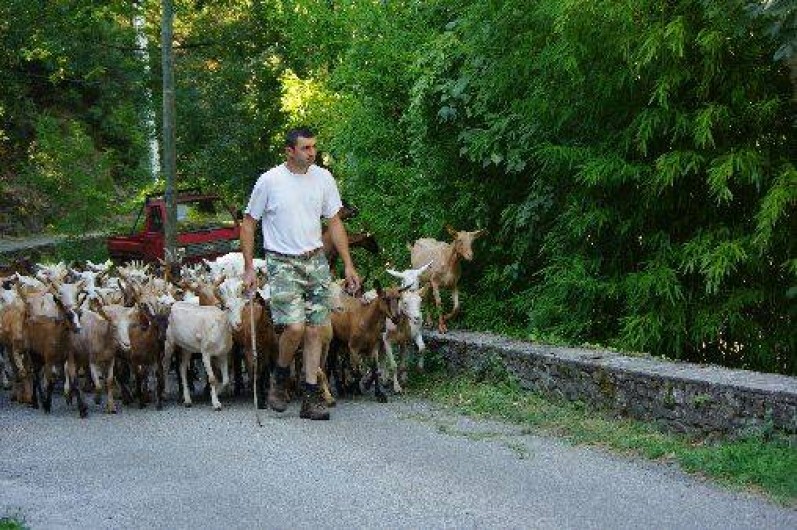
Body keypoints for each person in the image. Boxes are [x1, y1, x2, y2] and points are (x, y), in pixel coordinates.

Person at [241, 127, 360, 420]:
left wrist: (348, 263)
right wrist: (249, 267)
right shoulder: (269, 181)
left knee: (315, 329)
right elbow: (248, 224)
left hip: (315, 260)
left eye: (313, 147)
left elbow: (334, 223)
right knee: (294, 327)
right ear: (289, 151)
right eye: (306, 148)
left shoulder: (323, 178)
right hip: (282, 261)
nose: (312, 153)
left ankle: (311, 398)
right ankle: (280, 378)